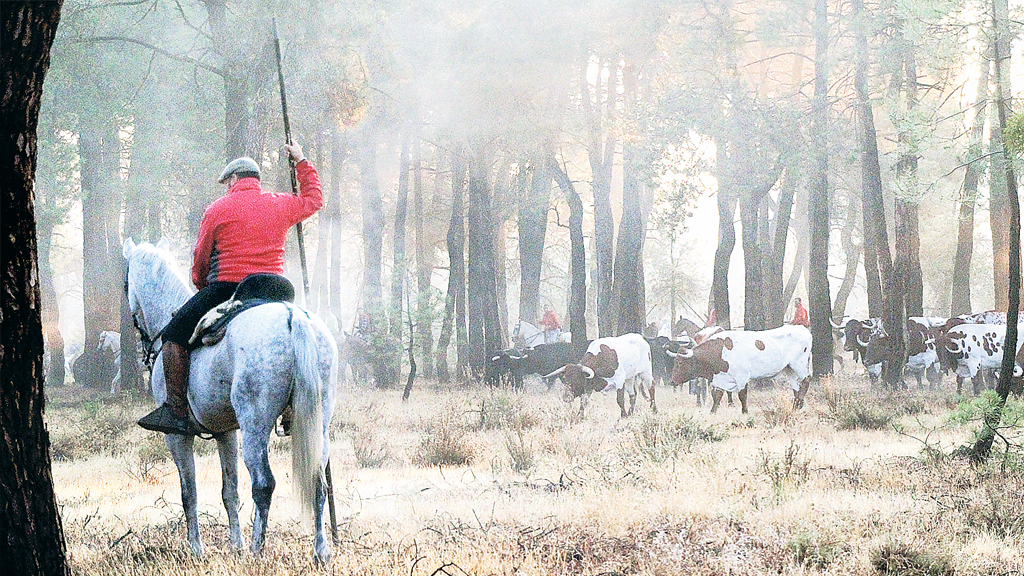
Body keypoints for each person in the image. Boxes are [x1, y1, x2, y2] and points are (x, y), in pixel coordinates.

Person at [138, 141, 323, 435]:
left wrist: (200, 286)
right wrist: (301, 161)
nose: (226, 187)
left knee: (173, 332)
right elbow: (314, 200)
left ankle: (175, 410)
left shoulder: (218, 209)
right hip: (276, 290)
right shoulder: (281, 203)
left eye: (227, 182)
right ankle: (290, 407)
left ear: (234, 179)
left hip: (230, 287)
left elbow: (201, 257)